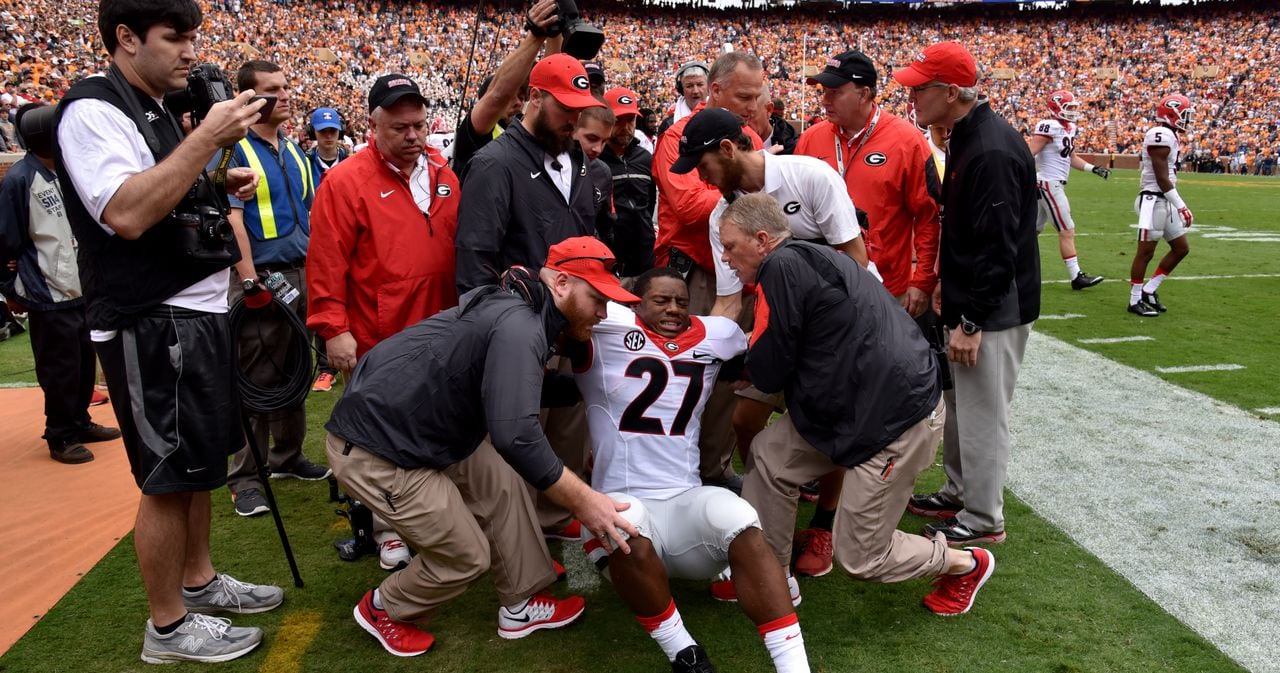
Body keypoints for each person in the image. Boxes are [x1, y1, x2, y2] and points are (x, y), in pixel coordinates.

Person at [53, 0, 282, 663]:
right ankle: (168, 627)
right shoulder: (93, 108)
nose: (189, 52)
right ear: (125, 38)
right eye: (174, 38)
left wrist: (214, 182)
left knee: (197, 467)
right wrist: (207, 140)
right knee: (167, 476)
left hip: (194, 308)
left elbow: (166, 192)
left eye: (192, 39)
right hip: (151, 317)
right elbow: (125, 212)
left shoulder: (153, 101)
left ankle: (200, 581)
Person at [325, 237, 642, 656]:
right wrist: (584, 500)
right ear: (562, 283)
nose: (602, 312)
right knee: (464, 556)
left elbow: (508, 386)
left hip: (428, 428)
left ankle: (521, 603)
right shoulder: (521, 322)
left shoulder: (524, 308)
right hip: (379, 446)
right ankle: (385, 607)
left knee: (503, 486)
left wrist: (586, 390)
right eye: (596, 298)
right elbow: (516, 434)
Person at [718, 193, 994, 618]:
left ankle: (965, 563)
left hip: (892, 422)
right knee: (770, 456)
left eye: (730, 245)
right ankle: (773, 576)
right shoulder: (805, 255)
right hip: (858, 405)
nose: (725, 256)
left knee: (862, 555)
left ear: (761, 240)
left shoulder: (782, 265)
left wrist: (730, 365)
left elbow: (771, 368)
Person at [570, 267, 810, 673]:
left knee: (740, 517)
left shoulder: (716, 333)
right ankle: (685, 653)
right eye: (660, 300)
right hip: (621, 499)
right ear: (635, 301)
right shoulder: (607, 324)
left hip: (683, 498)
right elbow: (565, 317)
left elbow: (764, 352)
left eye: (681, 301)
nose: (673, 309)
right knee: (623, 525)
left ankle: (794, 666)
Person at [793, 50, 945, 573]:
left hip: (883, 297)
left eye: (835, 89)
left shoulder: (906, 140)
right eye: (824, 89)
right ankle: (824, 495)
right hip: (819, 300)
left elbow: (928, 218)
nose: (826, 97)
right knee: (822, 397)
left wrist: (923, 281)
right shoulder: (812, 139)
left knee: (865, 406)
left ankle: (837, 518)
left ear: (866, 93)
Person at [894, 41, 1040, 545]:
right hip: (975, 300)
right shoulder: (969, 135)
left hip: (994, 307)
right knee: (962, 409)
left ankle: (984, 518)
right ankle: (960, 491)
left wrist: (973, 319)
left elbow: (997, 249)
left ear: (951, 92)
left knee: (982, 413)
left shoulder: (990, 148)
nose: (911, 95)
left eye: (920, 87)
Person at [652, 50, 765, 493]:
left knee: (725, 381)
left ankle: (712, 469)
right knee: (684, 373)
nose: (751, 105)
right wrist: (746, 185)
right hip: (692, 276)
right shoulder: (677, 136)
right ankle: (672, 469)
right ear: (715, 91)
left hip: (737, 275)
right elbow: (689, 205)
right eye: (743, 95)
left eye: (756, 96)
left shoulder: (747, 137)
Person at [223, 59, 329, 518]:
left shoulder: (294, 151)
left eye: (286, 86)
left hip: (301, 272)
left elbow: (312, 216)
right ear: (248, 97)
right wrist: (248, 280)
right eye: (272, 89)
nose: (284, 95)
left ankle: (286, 457)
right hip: (262, 276)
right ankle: (244, 477)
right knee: (256, 376)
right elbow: (232, 218)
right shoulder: (233, 150)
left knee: (293, 369)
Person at [0, 103, 121, 465]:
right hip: (47, 292)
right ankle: (60, 433)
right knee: (60, 369)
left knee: (84, 362)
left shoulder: (68, 172)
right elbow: (6, 239)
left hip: (81, 287)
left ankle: (80, 421)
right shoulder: (21, 179)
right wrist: (11, 287)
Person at [455, 53, 607, 293]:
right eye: (565, 107)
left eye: (580, 110)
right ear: (535, 97)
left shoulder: (580, 161)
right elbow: (475, 265)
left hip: (572, 314)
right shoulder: (493, 163)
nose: (573, 120)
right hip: (518, 319)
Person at [450, 0, 561, 175]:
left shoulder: (520, 129)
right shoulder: (475, 131)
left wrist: (555, 31)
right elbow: (498, 95)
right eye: (511, 97)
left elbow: (549, 88)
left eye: (521, 97)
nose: (518, 103)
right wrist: (537, 34)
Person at [1026, 89, 1110, 290]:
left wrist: (1093, 169)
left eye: (1073, 107)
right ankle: (1076, 276)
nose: (1072, 111)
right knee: (1066, 230)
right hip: (1049, 183)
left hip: (1049, 183)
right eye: (1069, 107)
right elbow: (1029, 153)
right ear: (1056, 107)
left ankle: (1012, 266)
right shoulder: (1049, 126)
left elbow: (1071, 157)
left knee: (1031, 231)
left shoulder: (1068, 128)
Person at [1128, 94, 1195, 317]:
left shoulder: (1170, 135)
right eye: (1184, 114)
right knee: (1145, 253)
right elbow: (1161, 178)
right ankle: (1134, 299)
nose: (1187, 119)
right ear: (1171, 113)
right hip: (1151, 199)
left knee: (1181, 248)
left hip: (1163, 200)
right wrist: (1182, 205)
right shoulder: (1161, 134)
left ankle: (1149, 289)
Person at [303, 106, 350, 393]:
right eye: (323, 132)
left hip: (344, 240)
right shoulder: (305, 162)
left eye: (332, 131)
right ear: (314, 133)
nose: (328, 137)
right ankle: (324, 367)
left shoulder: (351, 160)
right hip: (314, 239)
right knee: (322, 300)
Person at [600, 87, 656, 278]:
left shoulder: (645, 158)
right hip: (609, 258)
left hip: (644, 256)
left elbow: (650, 201)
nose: (625, 126)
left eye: (630, 120)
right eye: (619, 120)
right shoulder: (595, 159)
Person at [659, 60, 709, 134]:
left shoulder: (722, 117)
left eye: (700, 85)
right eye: (689, 86)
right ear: (681, 89)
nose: (695, 91)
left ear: (708, 86)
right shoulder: (668, 125)